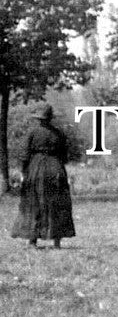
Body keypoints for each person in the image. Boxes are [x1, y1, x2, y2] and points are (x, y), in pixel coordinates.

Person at [10, 104, 76, 250]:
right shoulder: (59, 134)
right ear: (50, 118)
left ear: (39, 119)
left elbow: (24, 154)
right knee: (57, 203)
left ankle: (32, 241)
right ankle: (57, 241)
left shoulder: (32, 133)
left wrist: (23, 171)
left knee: (34, 202)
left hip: (36, 169)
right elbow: (64, 156)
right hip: (56, 169)